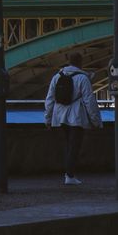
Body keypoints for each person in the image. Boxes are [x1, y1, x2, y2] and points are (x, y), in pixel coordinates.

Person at [44, 52, 102, 185]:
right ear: (81, 62)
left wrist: (47, 119)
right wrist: (96, 121)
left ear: (68, 61)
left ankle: (68, 173)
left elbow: (49, 100)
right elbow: (90, 101)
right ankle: (69, 175)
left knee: (67, 145)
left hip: (59, 117)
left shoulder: (57, 77)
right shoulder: (83, 78)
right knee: (74, 146)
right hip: (76, 117)